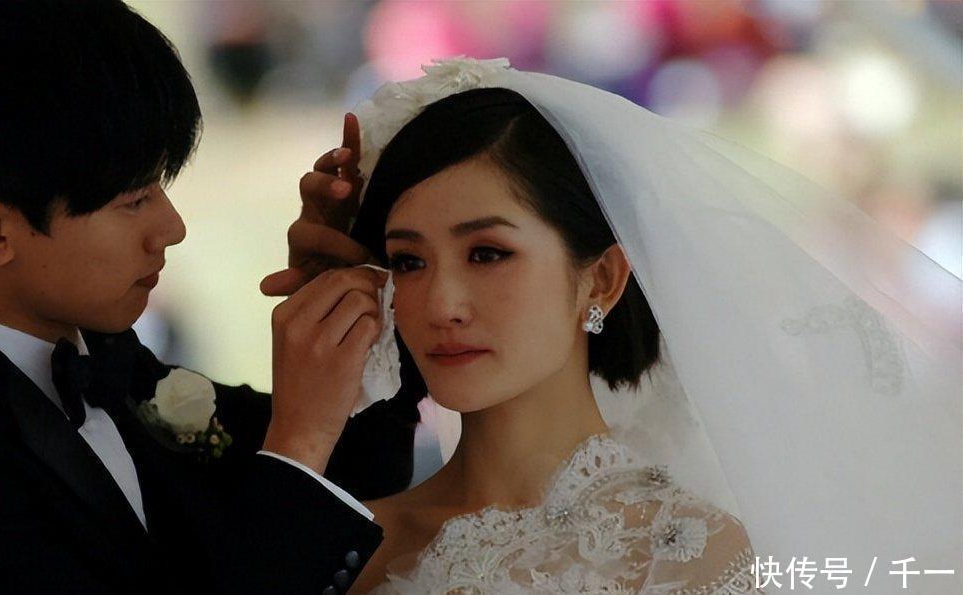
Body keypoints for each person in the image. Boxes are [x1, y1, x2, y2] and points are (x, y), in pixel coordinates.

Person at [0, 1, 413, 593]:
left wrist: (357, 314)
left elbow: (360, 477)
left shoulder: (98, 353)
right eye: (133, 200)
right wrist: (298, 444)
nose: (172, 227)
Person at [297, 59, 960, 593]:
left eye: (488, 253)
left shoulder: (693, 557)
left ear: (603, 279)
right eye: (409, 261)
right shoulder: (335, 542)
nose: (442, 303)